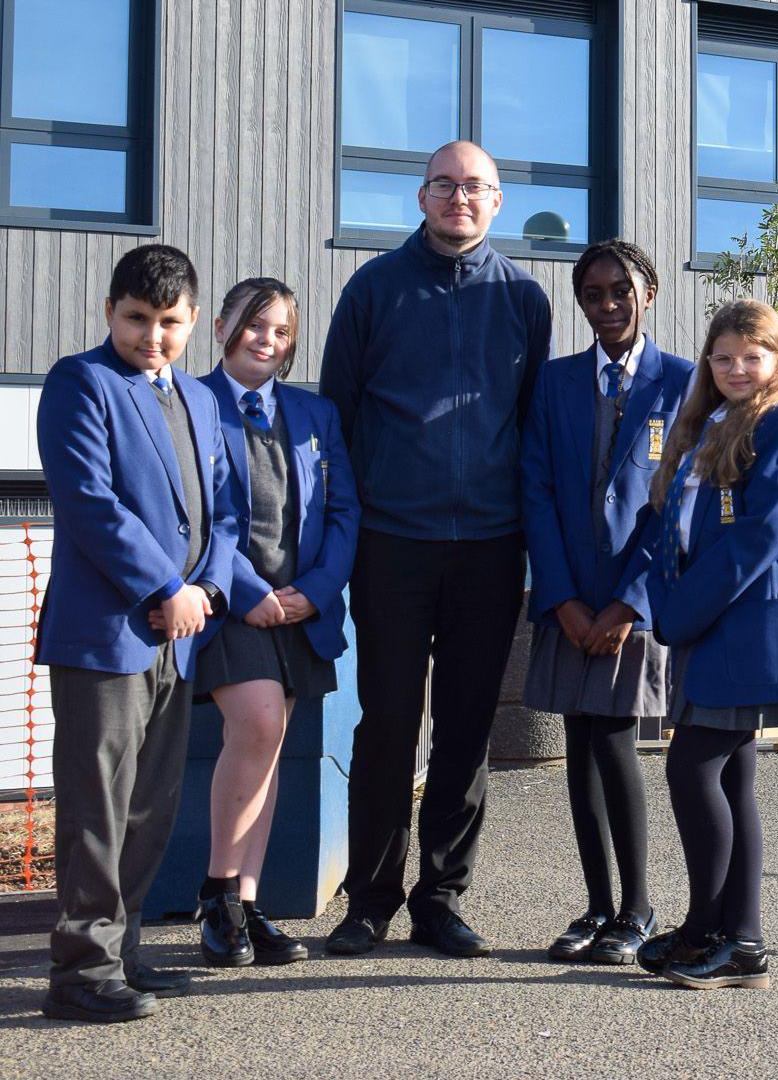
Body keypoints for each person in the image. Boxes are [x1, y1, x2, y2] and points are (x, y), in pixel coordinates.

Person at [318, 140, 552, 958]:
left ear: (498, 203)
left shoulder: (524, 297)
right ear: (421, 198)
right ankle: (370, 900)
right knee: (386, 722)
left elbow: (531, 428)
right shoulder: (373, 289)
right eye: (446, 186)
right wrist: (340, 540)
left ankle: (441, 897)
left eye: (476, 187)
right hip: (391, 542)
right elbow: (336, 420)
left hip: (490, 546)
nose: (460, 199)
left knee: (464, 728)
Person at [35, 245, 238, 1022]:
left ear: (194, 321)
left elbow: (222, 510)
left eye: (170, 322)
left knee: (152, 803)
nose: (153, 336)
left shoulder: (201, 399)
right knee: (98, 803)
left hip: (180, 634)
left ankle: (121, 952)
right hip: (106, 635)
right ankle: (80, 971)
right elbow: (88, 502)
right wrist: (165, 588)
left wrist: (206, 590)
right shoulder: (81, 382)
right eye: (137, 320)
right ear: (110, 312)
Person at [636, 299, 778, 990]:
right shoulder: (708, 423)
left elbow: (759, 537)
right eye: (723, 357)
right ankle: (730, 936)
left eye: (751, 357)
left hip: (744, 627)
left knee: (692, 771)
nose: (735, 369)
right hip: (712, 623)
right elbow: (669, 520)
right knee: (728, 778)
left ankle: (719, 932)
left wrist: (679, 612)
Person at [519, 241, 691, 964]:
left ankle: (638, 908)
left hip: (633, 604)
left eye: (621, 289)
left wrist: (626, 604)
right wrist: (560, 599)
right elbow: (538, 492)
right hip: (570, 602)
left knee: (614, 740)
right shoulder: (554, 383)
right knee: (579, 746)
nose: (608, 304)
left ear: (647, 292)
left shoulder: (683, 383)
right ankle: (595, 906)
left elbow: (678, 503)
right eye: (593, 294)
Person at [191, 278, 359, 969]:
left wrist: (313, 592)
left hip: (299, 612)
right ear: (223, 325)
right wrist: (250, 591)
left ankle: (247, 905)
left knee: (270, 743)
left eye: (282, 331)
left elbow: (345, 511)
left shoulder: (315, 414)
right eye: (255, 324)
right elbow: (195, 514)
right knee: (257, 727)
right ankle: (216, 894)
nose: (268, 339)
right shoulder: (192, 405)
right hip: (230, 607)